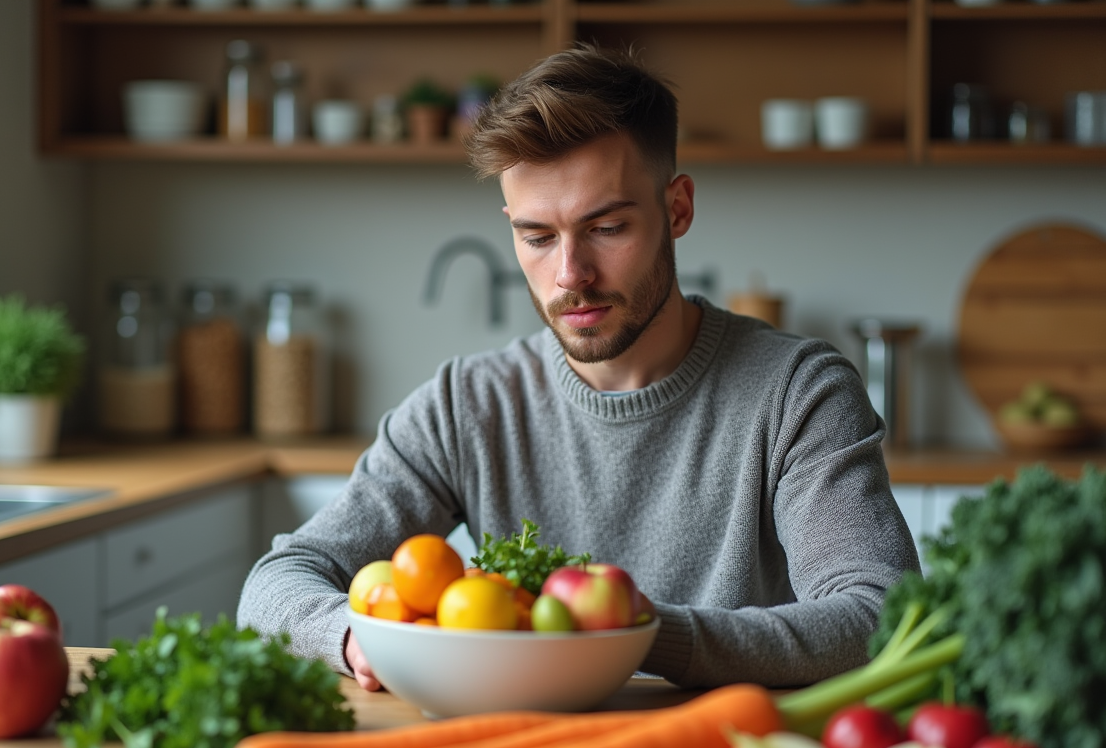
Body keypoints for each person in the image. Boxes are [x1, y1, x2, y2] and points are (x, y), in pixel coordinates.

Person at [237, 44, 919, 692]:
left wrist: (635, 635)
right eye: (537, 237)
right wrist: (358, 640)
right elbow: (278, 582)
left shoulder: (798, 393)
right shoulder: (467, 405)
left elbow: (876, 615)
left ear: (676, 208)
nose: (571, 275)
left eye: (607, 228)